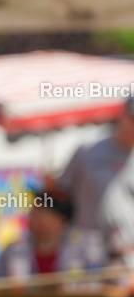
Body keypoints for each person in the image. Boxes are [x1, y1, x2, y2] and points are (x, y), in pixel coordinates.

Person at [54, 96, 134, 234]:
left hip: (128, 250)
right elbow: (61, 193)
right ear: (124, 114)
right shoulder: (88, 148)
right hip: (85, 246)